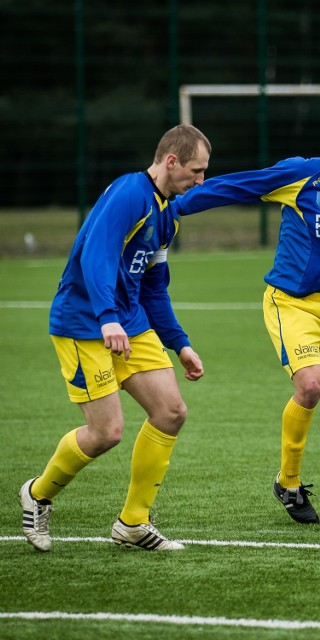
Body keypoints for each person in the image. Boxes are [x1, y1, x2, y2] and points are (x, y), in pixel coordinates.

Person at [176, 97, 320, 524]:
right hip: (290, 303)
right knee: (310, 387)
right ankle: (289, 483)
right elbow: (241, 184)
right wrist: (174, 206)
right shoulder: (304, 173)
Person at [19, 124, 211, 552]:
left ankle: (133, 523)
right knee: (106, 432)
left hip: (129, 321)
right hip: (84, 323)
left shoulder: (166, 216)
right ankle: (37, 494)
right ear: (171, 161)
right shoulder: (130, 194)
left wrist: (180, 343)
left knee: (171, 411)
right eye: (196, 171)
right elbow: (96, 254)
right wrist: (107, 317)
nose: (201, 181)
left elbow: (154, 288)